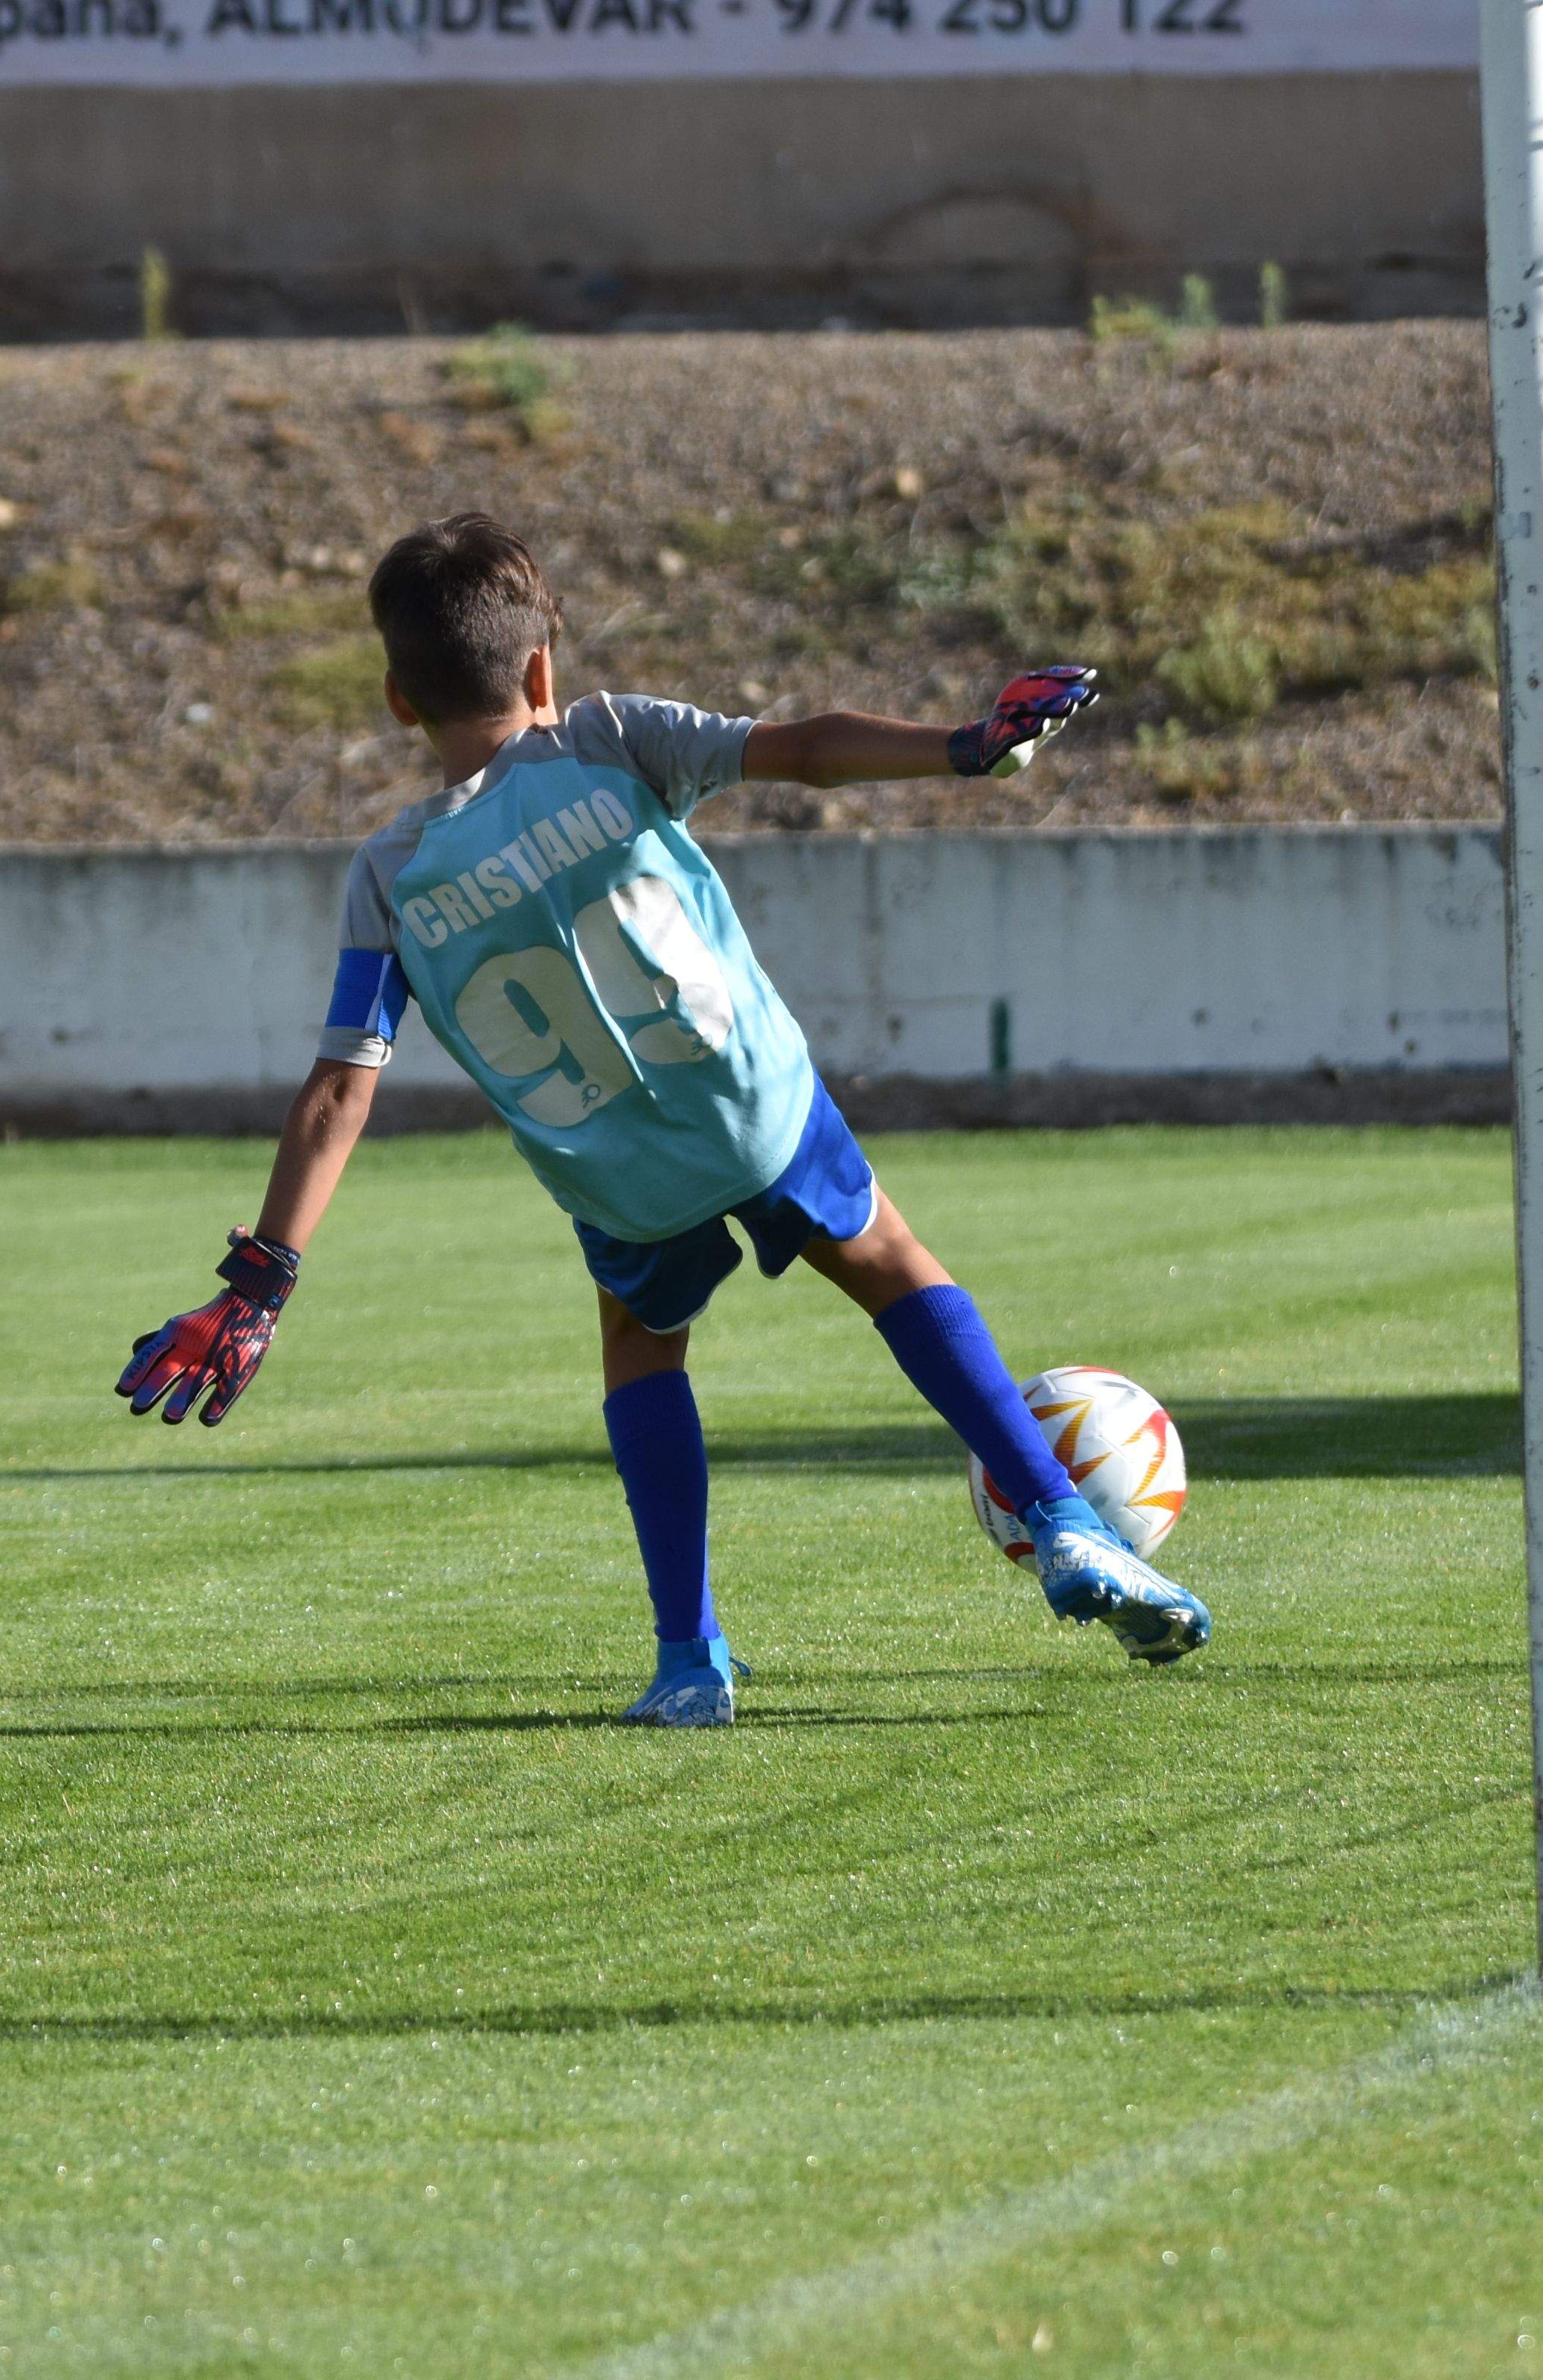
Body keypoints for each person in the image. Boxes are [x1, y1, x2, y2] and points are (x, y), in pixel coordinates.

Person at [114, 512, 1209, 1726]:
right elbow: (801, 750)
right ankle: (1061, 1519)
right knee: (894, 1266)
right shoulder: (610, 738)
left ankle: (690, 1660)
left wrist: (262, 1282)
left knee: (643, 1353)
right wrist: (961, 746)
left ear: (395, 700)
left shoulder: (391, 873)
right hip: (747, 1100)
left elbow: (339, 1088)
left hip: (614, 1173)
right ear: (542, 669)